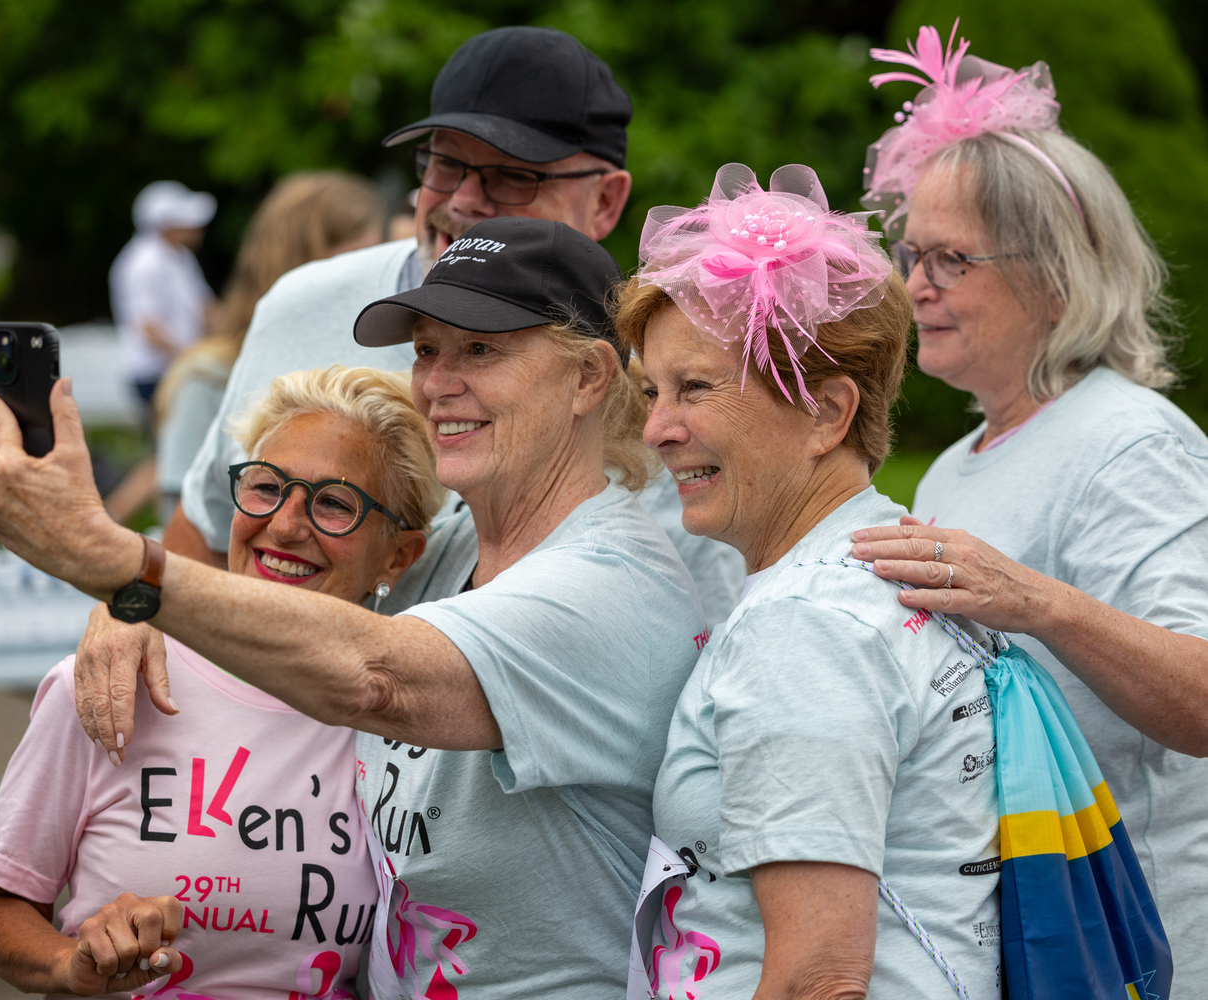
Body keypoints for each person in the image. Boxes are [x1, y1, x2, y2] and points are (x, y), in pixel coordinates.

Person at [0, 216, 706, 1000]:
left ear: (590, 377)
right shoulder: (453, 554)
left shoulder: (606, 581)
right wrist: (128, 613)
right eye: (426, 349)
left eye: (481, 349)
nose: (440, 382)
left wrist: (119, 568)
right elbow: (292, 585)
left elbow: (370, 676)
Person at [82, 25, 744, 757]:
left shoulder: (662, 367)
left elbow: (710, 658)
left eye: (511, 175)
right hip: (276, 791)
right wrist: (131, 604)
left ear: (608, 199)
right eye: (443, 164)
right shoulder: (305, 304)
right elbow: (206, 534)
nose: (463, 200)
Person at [848, 26, 1208, 986]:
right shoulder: (956, 466)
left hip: (1145, 943)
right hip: (1038, 942)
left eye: (951, 259)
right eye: (909, 251)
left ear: (1054, 275)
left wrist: (1034, 600)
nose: (914, 284)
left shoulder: (1133, 442)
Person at [621, 163, 1001, 997]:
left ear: (827, 413)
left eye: (695, 389)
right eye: (652, 390)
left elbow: (817, 978)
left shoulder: (809, 623)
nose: (656, 429)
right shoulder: (885, 563)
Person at [0, 366, 440, 999]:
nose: (287, 525)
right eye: (267, 488)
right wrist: (69, 962)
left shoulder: (405, 719)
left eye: (333, 504)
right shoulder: (118, 680)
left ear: (398, 556)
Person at [154, 172, 385, 521]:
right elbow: (186, 526)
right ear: (306, 266)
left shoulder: (369, 370)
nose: (374, 282)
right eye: (358, 264)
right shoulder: (210, 377)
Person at [111, 181, 218, 406]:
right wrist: (193, 358)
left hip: (179, 370)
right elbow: (148, 327)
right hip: (156, 375)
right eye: (187, 221)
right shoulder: (143, 263)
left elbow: (206, 307)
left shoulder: (180, 257)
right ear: (167, 224)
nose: (197, 227)